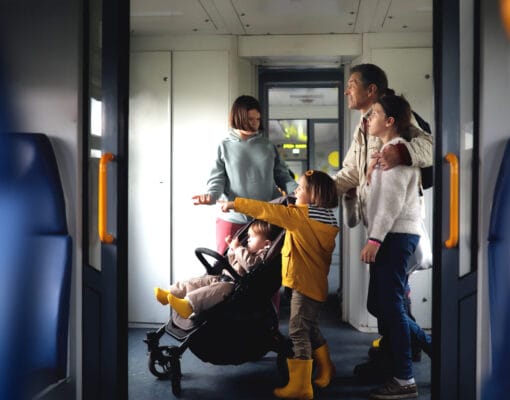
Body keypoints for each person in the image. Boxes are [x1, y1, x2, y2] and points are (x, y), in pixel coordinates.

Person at [334, 63, 433, 380]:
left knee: (389, 300)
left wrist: (401, 153)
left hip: (395, 227)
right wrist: (317, 191)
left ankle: (402, 360)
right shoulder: (364, 125)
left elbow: (431, 145)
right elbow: (350, 172)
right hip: (379, 224)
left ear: (371, 89)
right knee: (384, 300)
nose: (348, 90)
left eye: (352, 84)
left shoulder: (393, 114)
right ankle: (398, 352)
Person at [219, 170, 339, 400]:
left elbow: (266, 210)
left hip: (303, 285)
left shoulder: (299, 217)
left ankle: (301, 386)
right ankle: (326, 368)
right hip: (312, 282)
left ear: (314, 195)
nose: (296, 191)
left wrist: (235, 204)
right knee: (309, 327)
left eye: (301, 188)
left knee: (297, 331)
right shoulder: (325, 217)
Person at [192, 95, 298, 254]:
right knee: (226, 270)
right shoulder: (224, 146)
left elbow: (283, 177)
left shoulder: (267, 146)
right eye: (250, 118)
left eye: (258, 119)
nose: (255, 123)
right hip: (232, 220)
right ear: (238, 117)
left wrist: (301, 192)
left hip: (265, 220)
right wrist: (210, 196)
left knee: (264, 273)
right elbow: (217, 180)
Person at [153, 220, 278, 319]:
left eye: (253, 237)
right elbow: (231, 263)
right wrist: (232, 250)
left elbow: (249, 265)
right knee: (198, 282)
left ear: (266, 244)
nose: (249, 239)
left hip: (233, 285)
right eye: (249, 236)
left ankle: (188, 305)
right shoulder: (246, 251)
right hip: (222, 277)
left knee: (210, 292)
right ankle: (171, 292)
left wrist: (238, 249)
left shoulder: (261, 257)